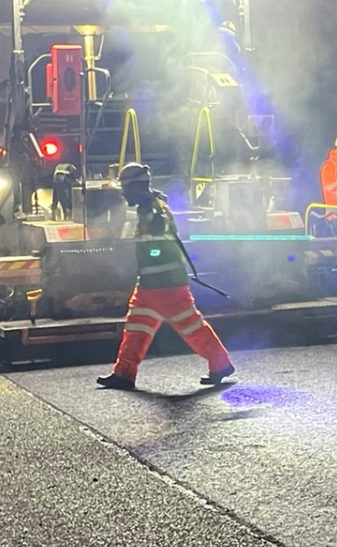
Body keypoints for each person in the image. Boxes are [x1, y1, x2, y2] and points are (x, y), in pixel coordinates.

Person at [97, 163, 235, 391]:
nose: (123, 193)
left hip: (166, 286)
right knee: (136, 328)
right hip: (152, 285)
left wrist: (152, 255)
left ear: (136, 186)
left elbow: (159, 246)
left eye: (125, 187)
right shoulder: (149, 207)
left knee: (190, 326)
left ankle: (220, 364)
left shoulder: (153, 210)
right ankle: (124, 373)